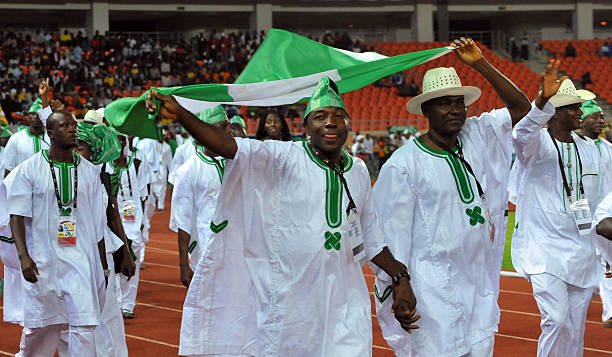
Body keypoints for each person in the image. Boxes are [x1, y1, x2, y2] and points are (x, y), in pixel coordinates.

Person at [148, 76, 419, 356]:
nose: (331, 123)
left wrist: (401, 276)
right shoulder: (284, 157)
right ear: (306, 127)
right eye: (320, 116)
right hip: (292, 306)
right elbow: (230, 146)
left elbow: (370, 236)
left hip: (344, 302)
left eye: (339, 116)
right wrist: (181, 114)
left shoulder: (358, 170)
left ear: (348, 125)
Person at [373, 38, 531, 356]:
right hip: (430, 287)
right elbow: (386, 233)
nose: (456, 110)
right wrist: (399, 285)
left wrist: (480, 63)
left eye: (459, 102)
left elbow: (522, 109)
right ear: (426, 110)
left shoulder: (477, 134)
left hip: (478, 282)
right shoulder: (403, 165)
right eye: (444, 103)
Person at [510, 74, 609, 356]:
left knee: (574, 327)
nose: (580, 112)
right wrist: (540, 101)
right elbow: (522, 133)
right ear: (554, 113)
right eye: (573, 108)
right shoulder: (536, 146)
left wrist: (606, 252)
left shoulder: (592, 151)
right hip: (543, 250)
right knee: (555, 318)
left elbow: (602, 204)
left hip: (581, 252)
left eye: (579, 107)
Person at [7, 110, 108, 356]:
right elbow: (16, 215)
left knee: (84, 325)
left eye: (74, 125)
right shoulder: (29, 169)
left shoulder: (89, 171)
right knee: (40, 329)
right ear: (50, 133)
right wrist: (23, 257)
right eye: (65, 126)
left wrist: (102, 264)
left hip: (80, 261)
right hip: (43, 261)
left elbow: (97, 224)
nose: (73, 129)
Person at [73, 119, 135, 356]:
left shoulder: (102, 177)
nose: (76, 151)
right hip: (75, 254)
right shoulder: (62, 175)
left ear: (94, 151)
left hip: (104, 254)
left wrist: (126, 255)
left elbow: (113, 215)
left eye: (81, 147)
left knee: (109, 313)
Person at [170, 106, 233, 288]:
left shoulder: (235, 162)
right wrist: (184, 264)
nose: (229, 131)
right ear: (207, 132)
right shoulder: (188, 170)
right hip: (207, 248)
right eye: (223, 127)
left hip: (237, 247)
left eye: (228, 125)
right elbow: (182, 219)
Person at [580, 99, 612, 328]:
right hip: (582, 212)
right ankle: (586, 290)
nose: (601, 121)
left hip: (606, 216)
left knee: (606, 262)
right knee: (585, 258)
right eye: (595, 116)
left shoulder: (610, 149)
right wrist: (579, 219)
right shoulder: (575, 147)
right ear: (582, 121)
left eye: (602, 116)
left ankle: (609, 312)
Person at [110, 134, 148, 320]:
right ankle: (116, 303)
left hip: (133, 221)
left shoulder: (138, 164)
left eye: (123, 140)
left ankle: (128, 304)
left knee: (133, 263)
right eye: (116, 139)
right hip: (112, 222)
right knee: (114, 262)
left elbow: (143, 194)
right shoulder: (104, 166)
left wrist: (142, 221)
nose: (120, 143)